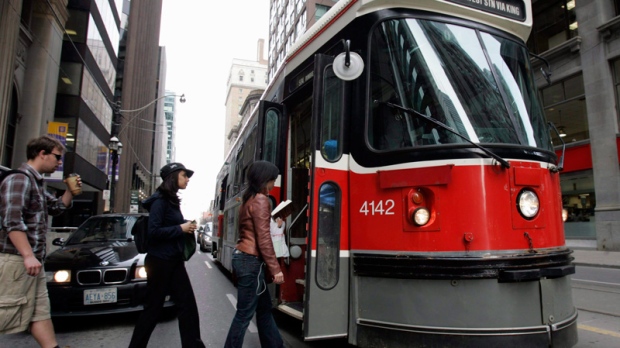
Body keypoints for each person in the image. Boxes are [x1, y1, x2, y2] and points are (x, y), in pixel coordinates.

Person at [0, 135, 81, 347]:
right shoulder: (19, 179)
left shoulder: (36, 183)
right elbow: (12, 221)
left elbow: (56, 207)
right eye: (57, 156)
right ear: (41, 154)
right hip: (16, 260)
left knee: (39, 312)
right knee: (5, 313)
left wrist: (70, 192)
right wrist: (27, 256)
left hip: (32, 262)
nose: (59, 162)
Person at [128, 162, 205, 348]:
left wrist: (185, 226)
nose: (187, 179)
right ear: (173, 177)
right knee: (153, 310)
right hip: (160, 262)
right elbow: (154, 232)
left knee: (187, 307)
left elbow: (167, 226)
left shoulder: (170, 200)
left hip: (173, 261)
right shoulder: (160, 201)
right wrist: (181, 228)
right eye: (184, 175)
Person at [225, 161, 285, 348]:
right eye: (272, 179)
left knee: (264, 310)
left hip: (245, 259)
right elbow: (263, 238)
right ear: (264, 179)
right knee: (243, 315)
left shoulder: (249, 199)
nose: (273, 183)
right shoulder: (260, 200)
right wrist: (275, 269)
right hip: (251, 261)